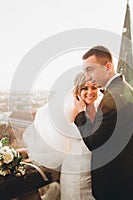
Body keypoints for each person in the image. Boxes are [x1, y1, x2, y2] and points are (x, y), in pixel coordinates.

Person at [74, 45, 133, 200]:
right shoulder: (122, 89)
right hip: (122, 177)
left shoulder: (113, 97)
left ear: (108, 67)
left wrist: (80, 114)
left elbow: (94, 142)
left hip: (114, 181)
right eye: (85, 71)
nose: (87, 76)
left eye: (90, 69)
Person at [21, 72, 101, 200]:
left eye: (94, 88)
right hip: (76, 171)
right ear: (77, 90)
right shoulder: (71, 111)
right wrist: (29, 152)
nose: (90, 92)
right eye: (85, 88)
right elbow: (58, 141)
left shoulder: (98, 108)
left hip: (94, 172)